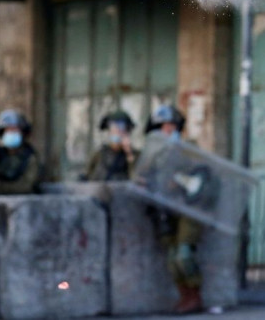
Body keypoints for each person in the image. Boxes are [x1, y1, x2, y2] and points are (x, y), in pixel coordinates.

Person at [144, 104, 204, 315]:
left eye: (171, 126)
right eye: (162, 127)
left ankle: (195, 295)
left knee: (184, 254)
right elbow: (143, 177)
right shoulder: (152, 156)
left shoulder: (189, 149)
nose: (168, 130)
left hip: (188, 208)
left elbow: (203, 177)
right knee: (172, 258)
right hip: (166, 210)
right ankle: (184, 295)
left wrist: (181, 183)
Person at [83, 110, 139, 181]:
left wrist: (129, 154)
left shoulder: (134, 155)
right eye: (112, 129)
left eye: (120, 129)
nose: (116, 133)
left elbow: (137, 180)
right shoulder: (99, 154)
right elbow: (87, 176)